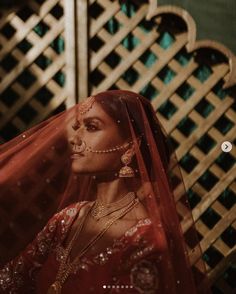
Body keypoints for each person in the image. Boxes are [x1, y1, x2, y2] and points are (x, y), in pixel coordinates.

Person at [0, 90, 211, 293]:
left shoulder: (146, 241)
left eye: (91, 127)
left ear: (130, 146)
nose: (74, 138)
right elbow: (10, 281)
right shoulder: (68, 219)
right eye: (77, 127)